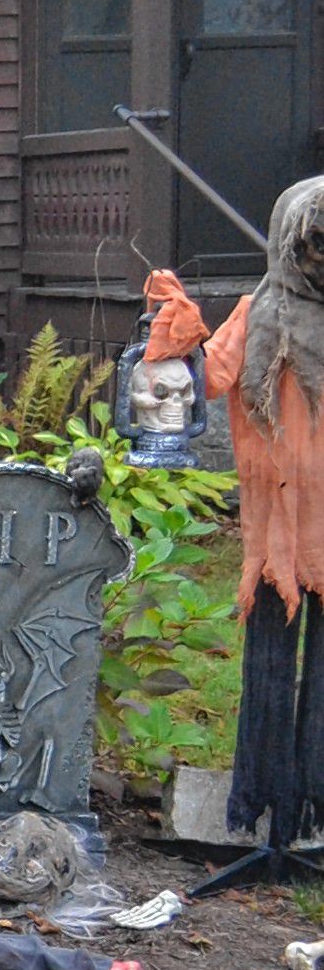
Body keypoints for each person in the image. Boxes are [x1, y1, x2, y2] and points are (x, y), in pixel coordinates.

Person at [203, 176, 324, 871]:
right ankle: (266, 817)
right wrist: (176, 330)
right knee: (271, 670)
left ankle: (311, 813)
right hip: (277, 532)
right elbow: (201, 378)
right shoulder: (257, 317)